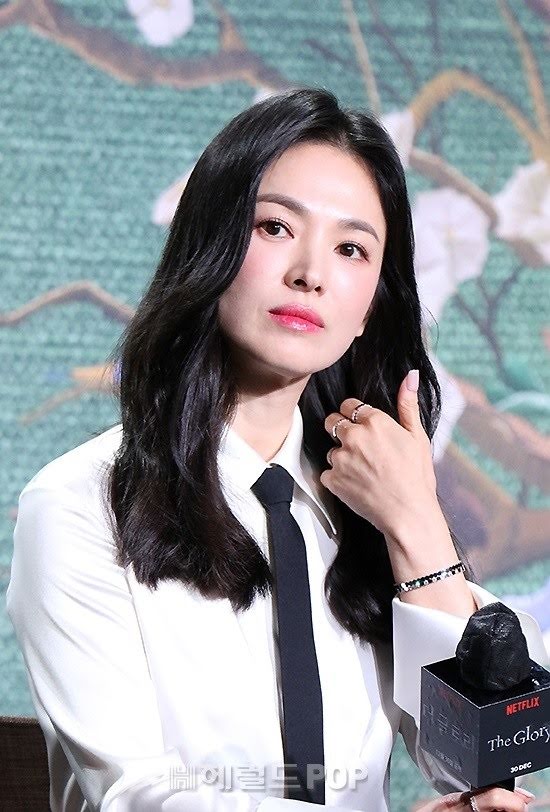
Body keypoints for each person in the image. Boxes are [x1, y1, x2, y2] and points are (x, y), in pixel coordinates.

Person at [7, 88, 545, 812]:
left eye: (351, 249)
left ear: (370, 306)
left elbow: (483, 761)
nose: (310, 273)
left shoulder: (366, 508)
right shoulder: (78, 506)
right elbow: (137, 795)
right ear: (211, 246)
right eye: (275, 227)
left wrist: (416, 524)